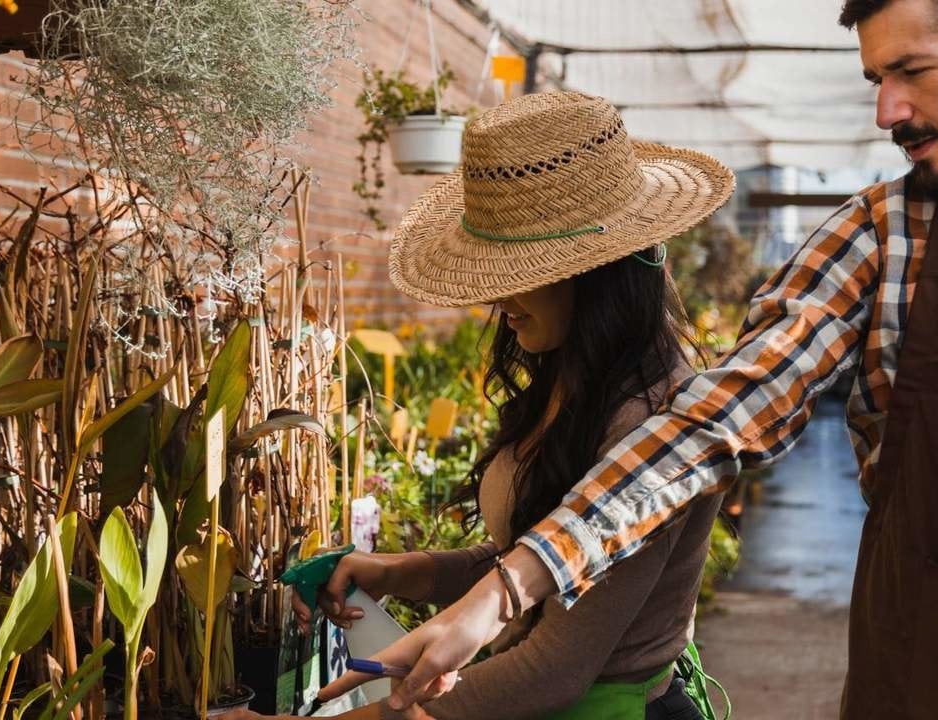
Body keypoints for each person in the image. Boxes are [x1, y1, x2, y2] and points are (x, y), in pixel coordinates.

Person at [327, 1, 938, 718]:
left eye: (912, 72)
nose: (885, 111)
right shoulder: (880, 235)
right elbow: (717, 418)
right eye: (874, 79)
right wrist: (505, 589)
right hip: (931, 686)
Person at [231, 91, 736, 719]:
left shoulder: (652, 420)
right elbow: (534, 564)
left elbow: (556, 668)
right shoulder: (570, 380)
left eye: (518, 271)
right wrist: (398, 572)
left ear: (596, 272)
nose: (497, 300)